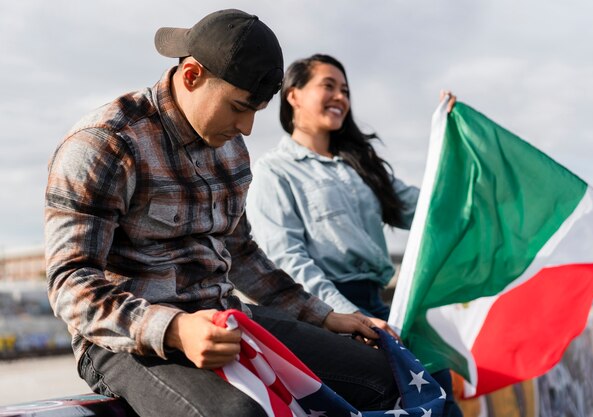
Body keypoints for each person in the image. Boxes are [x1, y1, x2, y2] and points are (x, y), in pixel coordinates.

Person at [44, 11, 400, 417]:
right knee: (241, 414)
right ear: (192, 75)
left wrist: (326, 316)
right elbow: (70, 285)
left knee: (380, 375)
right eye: (238, 107)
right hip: (124, 341)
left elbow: (242, 253)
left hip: (226, 317)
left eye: (257, 111)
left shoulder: (230, 148)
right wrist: (176, 329)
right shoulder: (105, 144)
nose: (247, 128)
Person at [246, 53, 461, 415]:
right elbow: (287, 259)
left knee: (439, 380)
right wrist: (346, 317)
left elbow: (431, 212)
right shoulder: (274, 172)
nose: (341, 97)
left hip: (382, 305)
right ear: (293, 95)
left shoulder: (362, 166)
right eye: (328, 86)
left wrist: (452, 146)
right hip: (325, 307)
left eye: (345, 89)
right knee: (391, 392)